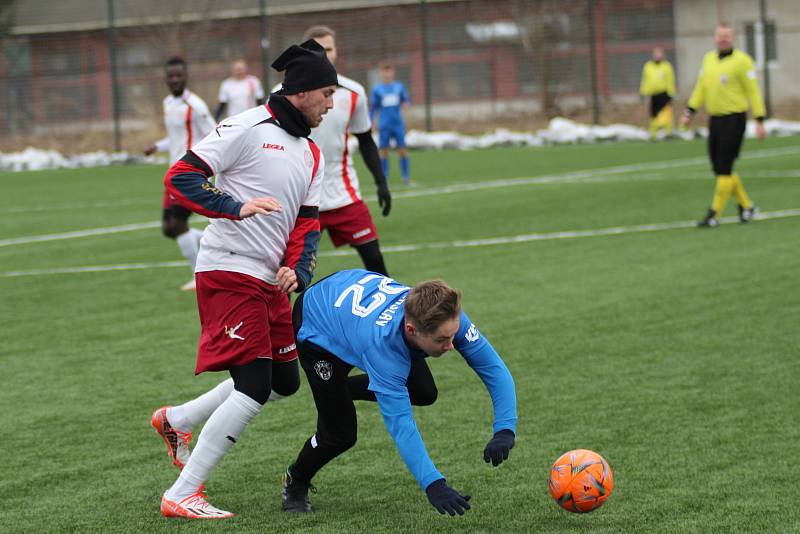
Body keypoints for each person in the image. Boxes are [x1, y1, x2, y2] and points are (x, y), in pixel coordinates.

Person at [150, 39, 337, 520]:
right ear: (301, 92)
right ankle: (183, 493)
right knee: (252, 386)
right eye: (327, 93)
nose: (331, 104)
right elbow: (182, 176)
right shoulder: (247, 126)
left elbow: (307, 222)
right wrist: (235, 207)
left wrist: (299, 269)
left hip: (269, 282)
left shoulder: (312, 153)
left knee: (283, 383)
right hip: (228, 268)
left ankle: (177, 420)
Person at [281, 269, 518, 516]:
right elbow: (401, 424)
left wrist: (505, 428)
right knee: (340, 434)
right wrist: (433, 483)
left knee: (423, 391)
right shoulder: (383, 348)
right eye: (441, 340)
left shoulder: (445, 314)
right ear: (412, 330)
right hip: (317, 324)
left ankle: (340, 392)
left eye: (452, 335)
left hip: (349, 297)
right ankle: (295, 480)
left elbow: (492, 367)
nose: (451, 345)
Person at [680, 23, 766, 228]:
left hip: (734, 119)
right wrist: (690, 111)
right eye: (720, 36)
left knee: (725, 167)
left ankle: (714, 214)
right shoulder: (708, 59)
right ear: (715, 38)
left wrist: (760, 119)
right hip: (715, 120)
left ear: (733, 37)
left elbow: (753, 91)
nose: (723, 39)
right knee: (719, 167)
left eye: (727, 36)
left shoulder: (743, 61)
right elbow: (701, 87)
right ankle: (747, 206)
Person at [144, 57, 216, 291]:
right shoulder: (168, 103)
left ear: (186, 77)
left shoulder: (196, 105)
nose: (174, 80)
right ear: (166, 79)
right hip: (172, 172)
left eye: (178, 75)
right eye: (171, 76)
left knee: (177, 223)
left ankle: (199, 276)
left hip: (190, 173)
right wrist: (158, 146)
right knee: (169, 229)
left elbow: (215, 133)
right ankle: (207, 241)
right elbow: (175, 137)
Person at [370, 63, 411, 185]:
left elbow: (405, 100)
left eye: (389, 71)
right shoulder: (377, 89)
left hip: (398, 124)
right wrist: (371, 121)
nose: (387, 74)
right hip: (384, 124)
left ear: (393, 72)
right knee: (383, 151)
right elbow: (373, 108)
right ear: (381, 73)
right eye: (385, 71)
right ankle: (384, 178)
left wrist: (406, 104)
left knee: (403, 149)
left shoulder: (399, 87)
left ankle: (406, 177)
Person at [639, 47, 676, 139]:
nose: (657, 56)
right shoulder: (648, 66)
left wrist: (671, 93)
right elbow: (645, 81)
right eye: (656, 54)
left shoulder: (666, 66)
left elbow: (671, 80)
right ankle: (653, 135)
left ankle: (669, 133)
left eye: (659, 54)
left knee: (667, 113)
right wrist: (643, 92)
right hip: (653, 94)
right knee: (653, 114)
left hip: (664, 93)